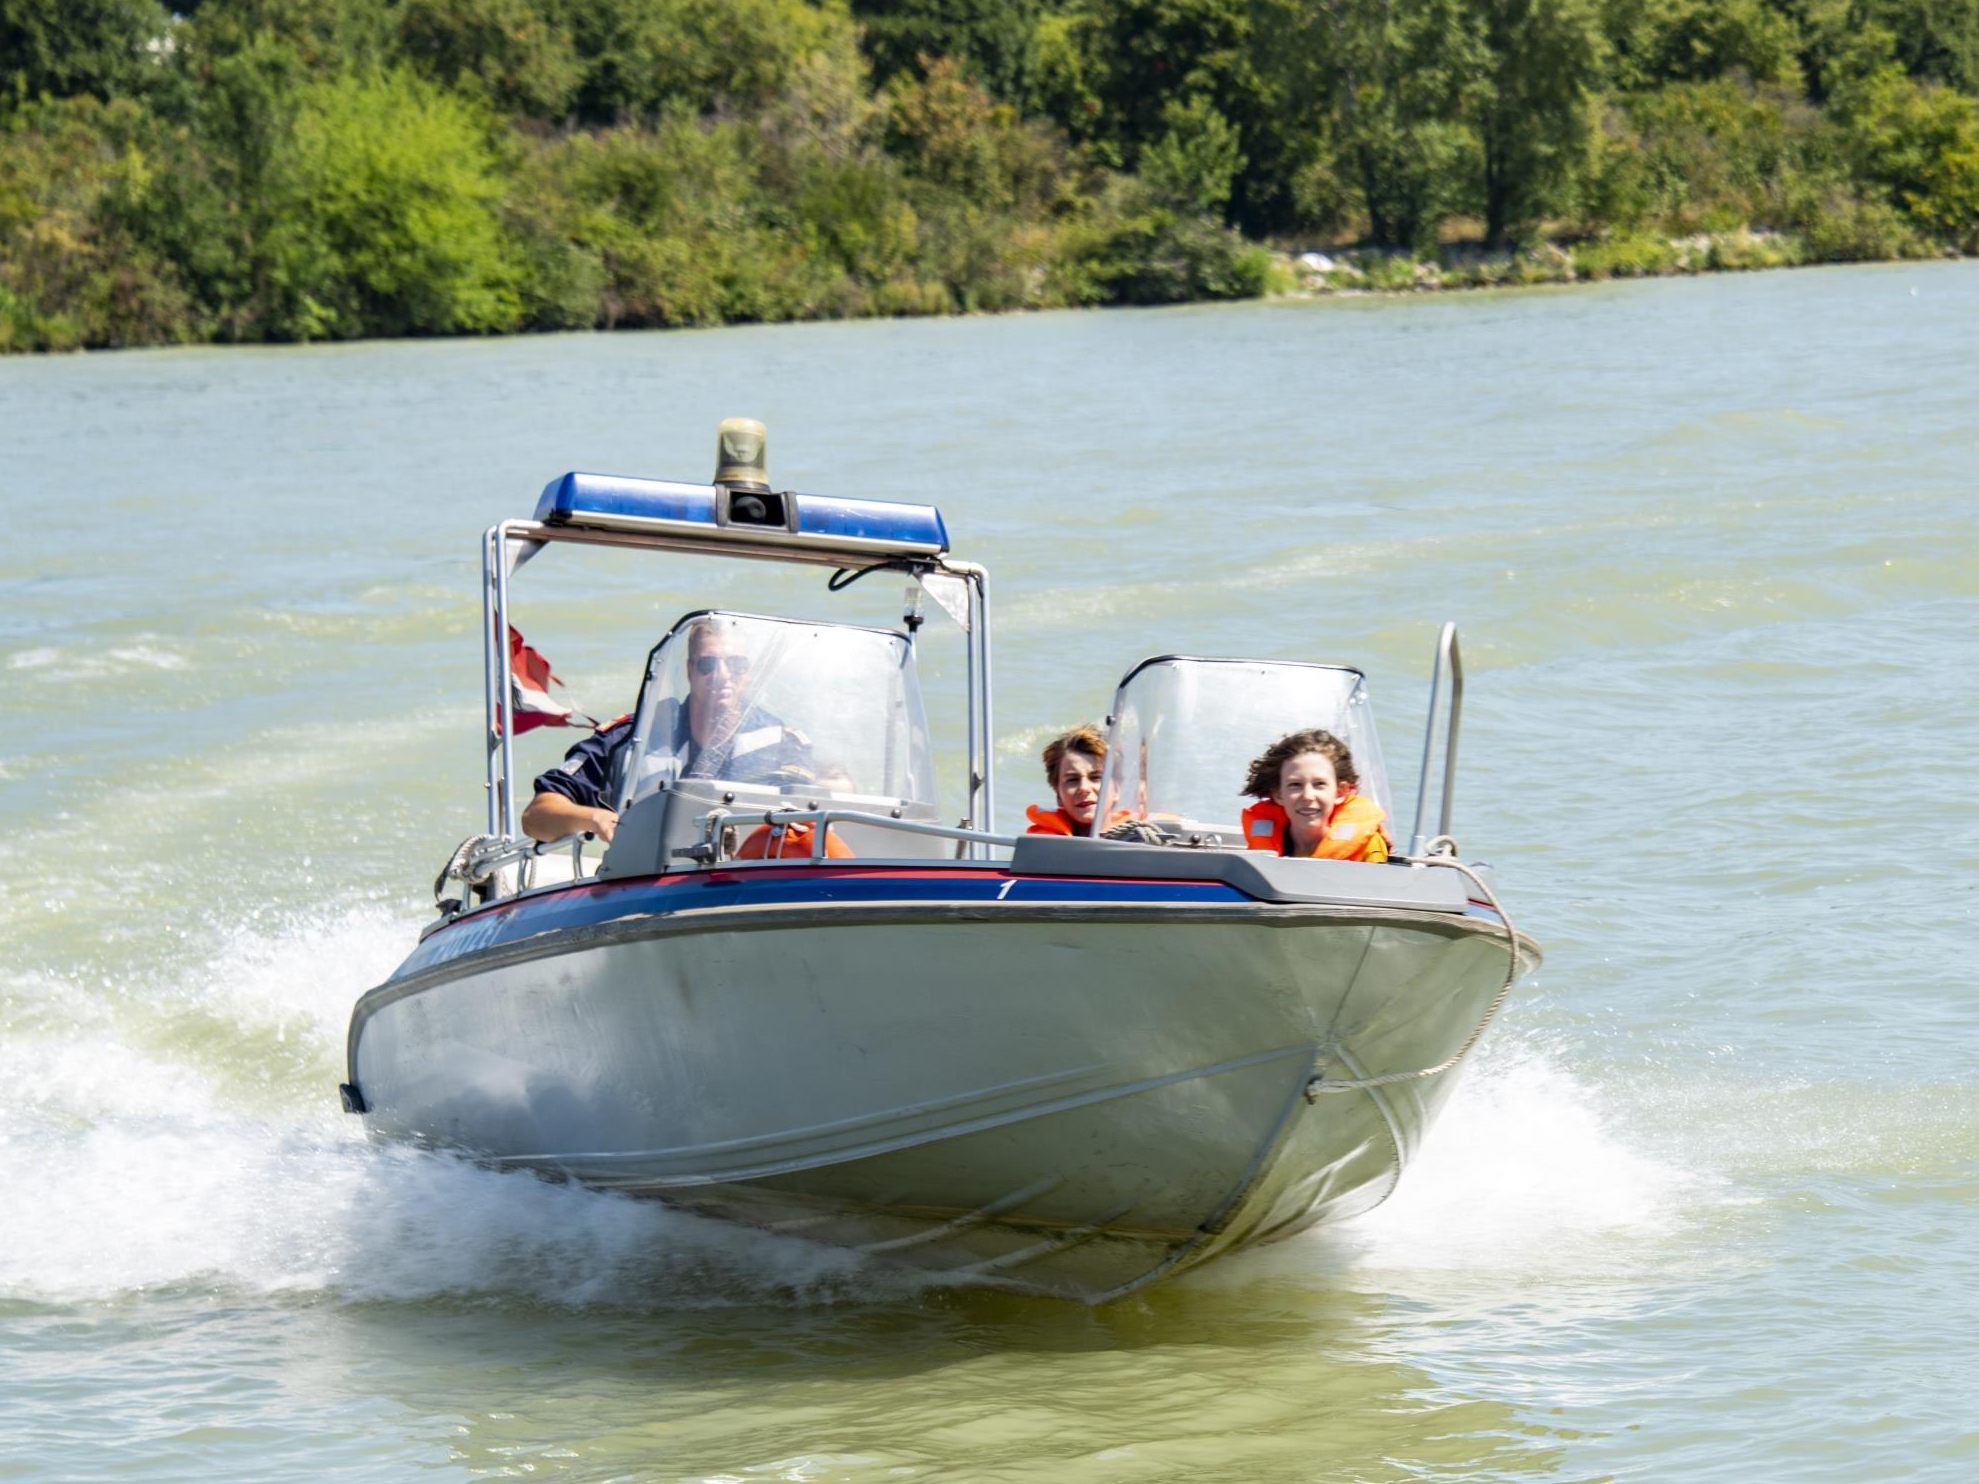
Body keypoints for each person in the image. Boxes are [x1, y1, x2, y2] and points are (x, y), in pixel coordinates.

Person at [521, 620, 810, 844]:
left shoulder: (783, 743)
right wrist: (594, 817)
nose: (722, 675)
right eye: (708, 665)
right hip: (653, 887)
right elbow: (536, 816)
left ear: (749, 672)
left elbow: (823, 810)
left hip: (750, 882)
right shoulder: (630, 739)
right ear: (689, 670)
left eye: (735, 664)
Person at [1238, 728, 1391, 862]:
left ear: (1340, 792)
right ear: (1279, 794)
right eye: (1295, 785)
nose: (1308, 796)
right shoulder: (1262, 852)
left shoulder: (1369, 847)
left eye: (1319, 784)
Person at [1025, 724, 1106, 836]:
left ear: (1117, 788)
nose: (1084, 788)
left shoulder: (1137, 840)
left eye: (1096, 777)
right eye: (1073, 780)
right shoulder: (1039, 847)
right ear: (1058, 795)